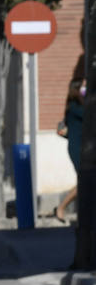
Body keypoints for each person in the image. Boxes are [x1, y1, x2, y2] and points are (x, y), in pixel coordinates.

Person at [56, 78, 84, 223]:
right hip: (78, 148)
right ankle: (61, 207)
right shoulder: (75, 107)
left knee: (87, 181)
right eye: (83, 88)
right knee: (85, 181)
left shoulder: (76, 106)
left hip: (85, 147)